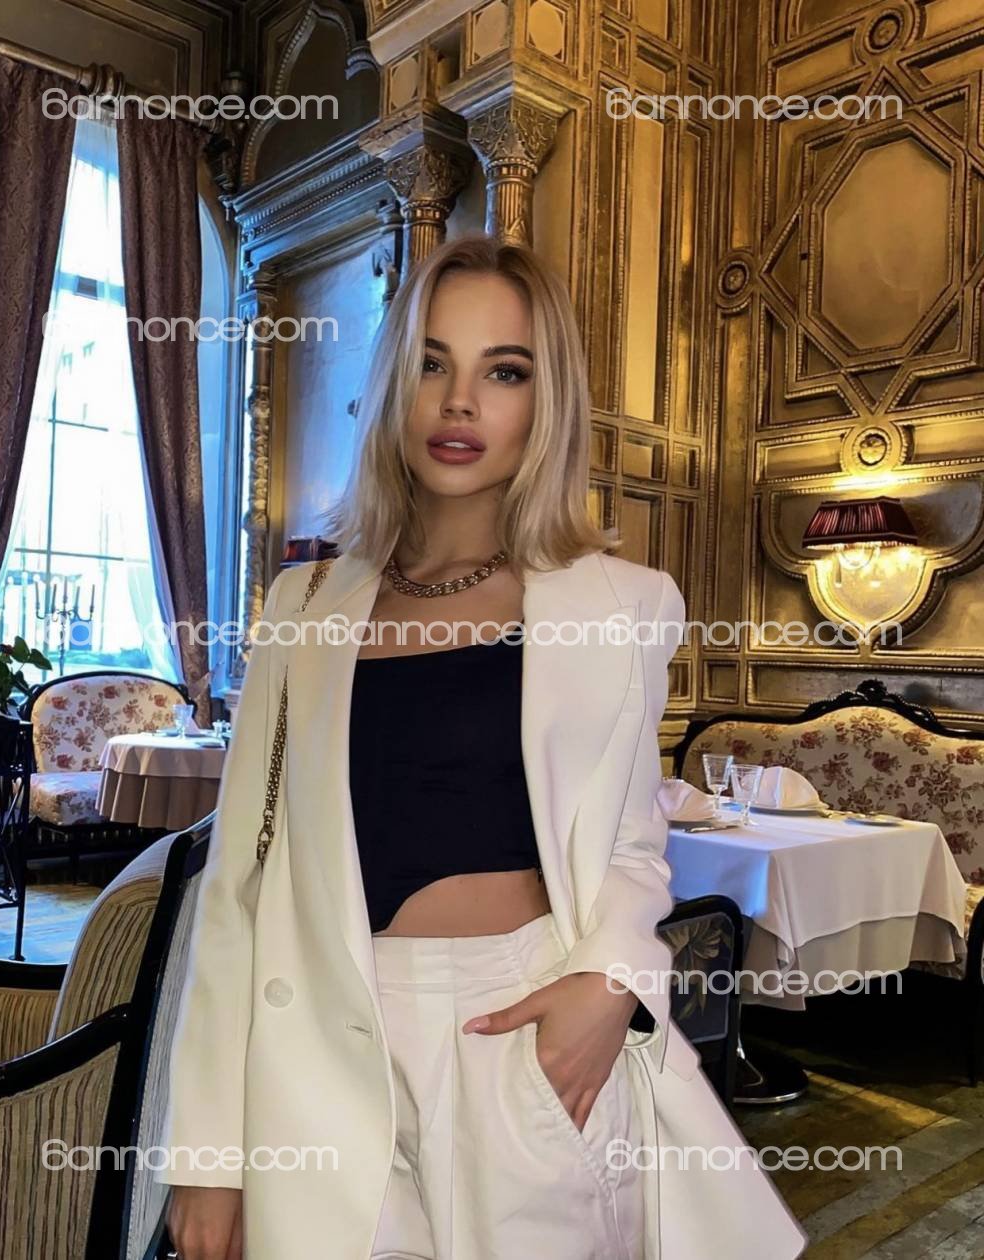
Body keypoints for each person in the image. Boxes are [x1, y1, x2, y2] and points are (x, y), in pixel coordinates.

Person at [158, 233, 806, 1260]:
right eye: (431, 362)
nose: (459, 402)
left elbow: (631, 843)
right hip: (311, 1041)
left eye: (503, 372)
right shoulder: (302, 604)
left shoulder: (623, 604)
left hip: (520, 1033)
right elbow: (240, 881)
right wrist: (208, 1154)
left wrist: (608, 987)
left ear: (546, 404)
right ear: (393, 385)